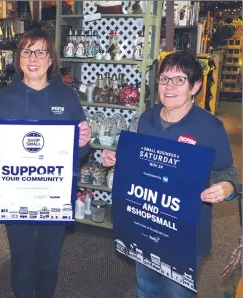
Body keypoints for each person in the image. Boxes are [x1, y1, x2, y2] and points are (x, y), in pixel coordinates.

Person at [101, 52, 238, 298]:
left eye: (179, 80)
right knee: (146, 288)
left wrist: (227, 188)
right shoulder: (146, 120)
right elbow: (140, 164)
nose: (169, 87)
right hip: (146, 220)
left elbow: (228, 172)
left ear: (195, 86)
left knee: (178, 294)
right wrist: (117, 160)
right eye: (164, 79)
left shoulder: (210, 128)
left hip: (185, 230)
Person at [0, 28, 91, 298]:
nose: (34, 58)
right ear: (19, 58)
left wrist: (83, 142)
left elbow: (80, 153)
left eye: (41, 51)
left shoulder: (67, 97)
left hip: (54, 196)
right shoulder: (2, 99)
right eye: (27, 51)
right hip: (16, 198)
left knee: (49, 263)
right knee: (23, 263)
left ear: (51, 59)